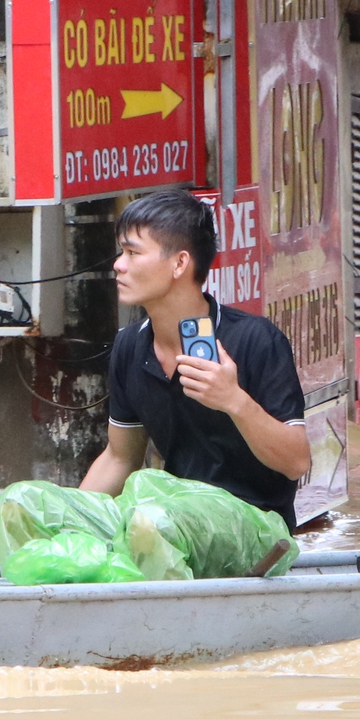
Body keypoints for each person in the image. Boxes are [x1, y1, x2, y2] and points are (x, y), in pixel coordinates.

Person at [81, 189, 311, 520]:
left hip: (255, 526)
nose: (118, 265)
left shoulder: (255, 339)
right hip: (174, 519)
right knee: (26, 502)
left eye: (133, 253)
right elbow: (120, 458)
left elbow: (297, 462)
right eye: (121, 252)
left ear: (180, 263)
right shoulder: (130, 346)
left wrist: (234, 401)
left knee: (147, 520)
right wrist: (69, 519)